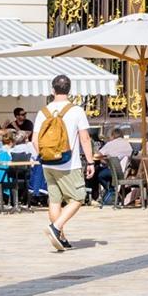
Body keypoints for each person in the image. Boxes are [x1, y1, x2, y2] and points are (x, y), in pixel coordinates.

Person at [33, 73, 94, 252]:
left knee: (54, 200)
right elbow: (84, 138)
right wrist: (90, 162)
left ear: (52, 90)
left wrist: (46, 155)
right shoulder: (76, 111)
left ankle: (60, 238)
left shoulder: (42, 112)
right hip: (69, 163)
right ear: (69, 90)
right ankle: (56, 227)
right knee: (78, 197)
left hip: (48, 163)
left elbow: (34, 140)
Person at [92, 128, 134, 205]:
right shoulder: (127, 144)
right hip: (125, 171)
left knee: (99, 174)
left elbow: (98, 155)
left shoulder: (111, 144)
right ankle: (114, 194)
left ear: (112, 135)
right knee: (104, 171)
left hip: (114, 172)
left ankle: (110, 191)